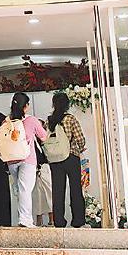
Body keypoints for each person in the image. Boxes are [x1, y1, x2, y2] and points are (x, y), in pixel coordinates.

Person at [4, 92, 47, 227]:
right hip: (27, 159)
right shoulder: (32, 120)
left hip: (11, 160)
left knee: (20, 189)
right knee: (25, 190)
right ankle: (25, 220)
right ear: (26, 106)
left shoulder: (6, 121)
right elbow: (44, 136)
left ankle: (22, 216)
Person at [46, 91, 87, 228]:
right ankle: (78, 220)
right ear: (67, 105)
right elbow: (80, 139)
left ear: (54, 104)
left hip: (55, 160)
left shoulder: (49, 121)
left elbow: (44, 139)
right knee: (75, 189)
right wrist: (80, 148)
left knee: (57, 191)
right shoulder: (70, 119)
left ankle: (59, 221)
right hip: (71, 157)